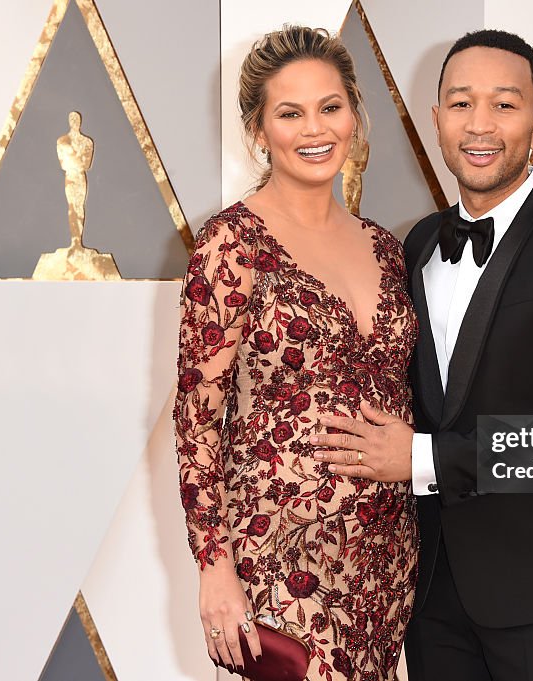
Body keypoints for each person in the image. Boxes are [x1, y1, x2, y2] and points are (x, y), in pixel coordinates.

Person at [311, 29, 533, 680]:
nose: (481, 125)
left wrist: (418, 457)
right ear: (437, 120)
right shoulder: (413, 248)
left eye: (505, 104)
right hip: (434, 598)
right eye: (462, 103)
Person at [173, 25, 418, 680]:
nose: (315, 128)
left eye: (330, 106)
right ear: (259, 130)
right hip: (284, 565)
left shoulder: (386, 247)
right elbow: (197, 419)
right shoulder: (231, 243)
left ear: (354, 116)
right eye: (290, 112)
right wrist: (214, 569)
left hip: (386, 560)